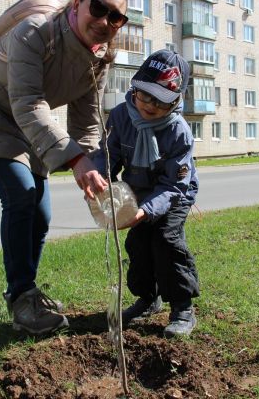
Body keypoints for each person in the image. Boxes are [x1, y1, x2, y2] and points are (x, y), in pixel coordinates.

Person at [0, 0, 129, 334]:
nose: (105, 21)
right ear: (77, 4)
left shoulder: (99, 59)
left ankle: (27, 292)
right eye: (99, 8)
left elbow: (87, 120)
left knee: (41, 213)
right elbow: (28, 102)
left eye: (117, 17)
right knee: (21, 195)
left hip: (25, 123)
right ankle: (22, 297)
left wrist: (95, 166)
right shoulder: (35, 32)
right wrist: (76, 161)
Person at [91, 50, 200, 337]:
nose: (149, 105)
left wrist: (146, 211)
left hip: (173, 193)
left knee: (166, 240)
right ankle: (148, 298)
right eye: (145, 95)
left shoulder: (179, 132)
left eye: (160, 100)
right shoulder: (119, 116)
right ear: (134, 88)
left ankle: (182, 308)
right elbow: (108, 154)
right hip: (138, 190)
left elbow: (175, 185)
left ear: (176, 101)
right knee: (138, 245)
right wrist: (101, 177)